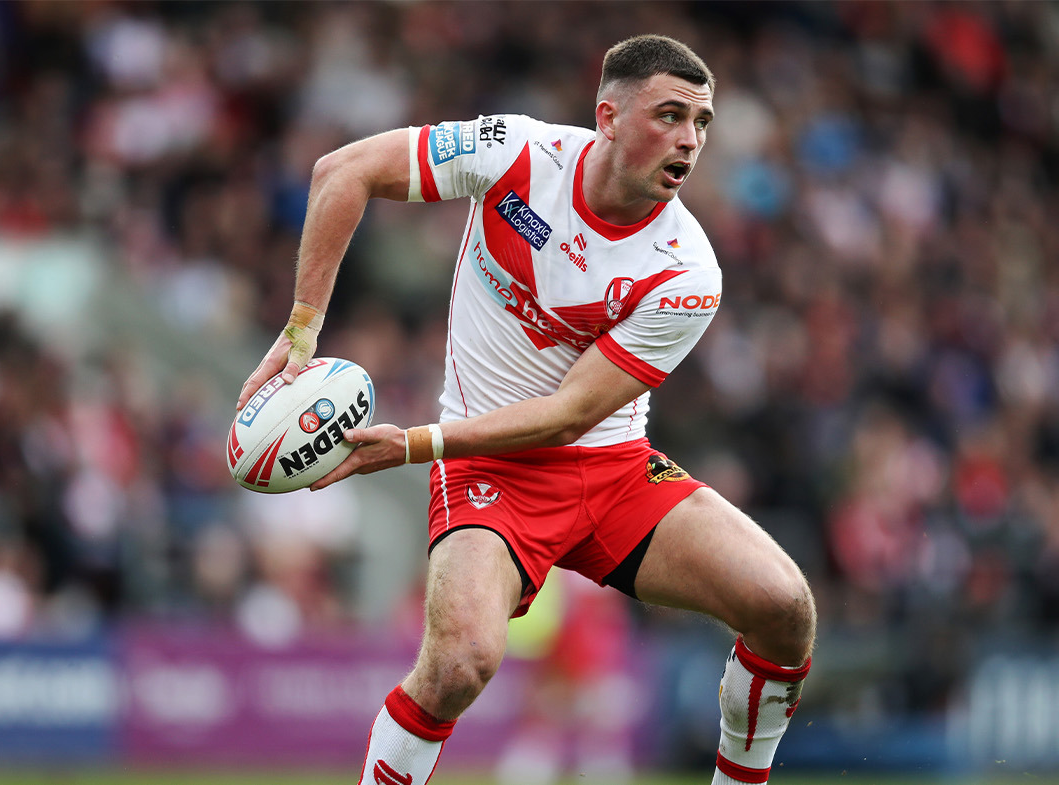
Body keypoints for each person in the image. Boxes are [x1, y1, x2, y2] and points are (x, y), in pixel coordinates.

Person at [236, 34, 816, 785]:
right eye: (670, 115)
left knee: (783, 605)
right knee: (458, 663)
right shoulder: (514, 151)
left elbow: (567, 417)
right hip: (490, 471)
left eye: (701, 123)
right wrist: (301, 330)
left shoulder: (687, 271)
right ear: (607, 117)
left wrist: (410, 444)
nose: (689, 140)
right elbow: (342, 170)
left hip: (610, 469)